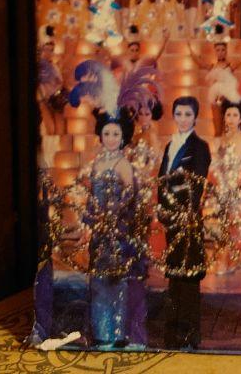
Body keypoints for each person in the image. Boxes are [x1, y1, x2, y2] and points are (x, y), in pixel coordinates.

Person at [157, 96, 211, 350]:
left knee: (189, 276)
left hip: (187, 219)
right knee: (174, 275)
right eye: (178, 114)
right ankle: (172, 333)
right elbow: (162, 180)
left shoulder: (200, 147)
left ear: (195, 117)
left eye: (188, 114)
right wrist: (162, 207)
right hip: (170, 219)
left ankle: (189, 334)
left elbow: (196, 184)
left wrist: (181, 209)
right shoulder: (170, 145)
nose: (183, 119)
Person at [83, 109, 138, 349]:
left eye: (116, 134)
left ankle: (117, 332)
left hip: (118, 229)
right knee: (98, 280)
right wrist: (91, 219)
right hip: (99, 230)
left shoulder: (123, 164)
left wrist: (115, 215)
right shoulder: (97, 163)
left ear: (123, 136)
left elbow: (130, 197)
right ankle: (100, 331)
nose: (111, 138)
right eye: (107, 133)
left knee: (116, 279)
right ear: (100, 135)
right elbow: (91, 198)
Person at [188, 30, 241, 136]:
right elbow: (199, 62)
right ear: (215, 52)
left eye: (223, 50)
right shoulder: (212, 67)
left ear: (226, 51)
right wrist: (189, 46)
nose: (220, 52)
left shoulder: (230, 66)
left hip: (228, 99)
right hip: (216, 99)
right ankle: (217, 144)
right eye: (218, 50)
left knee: (228, 127)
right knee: (217, 128)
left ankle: (229, 144)